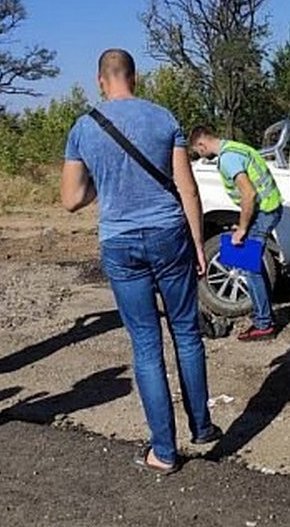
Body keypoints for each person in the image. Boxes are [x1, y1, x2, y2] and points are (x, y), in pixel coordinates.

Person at [61, 49, 220, 474]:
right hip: (170, 236)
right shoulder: (164, 118)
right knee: (186, 333)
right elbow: (188, 189)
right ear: (136, 77)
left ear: (100, 80)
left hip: (121, 241)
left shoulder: (82, 128)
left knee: (146, 345)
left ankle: (164, 452)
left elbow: (71, 199)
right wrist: (199, 244)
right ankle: (202, 427)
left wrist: (105, 185)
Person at [188, 125, 282, 341]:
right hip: (268, 209)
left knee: (249, 267)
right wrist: (243, 224)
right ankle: (265, 318)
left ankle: (264, 324)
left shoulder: (228, 158)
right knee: (252, 264)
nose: (199, 154)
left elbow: (248, 194)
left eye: (197, 150)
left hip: (264, 212)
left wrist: (241, 229)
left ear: (202, 144)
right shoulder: (237, 148)